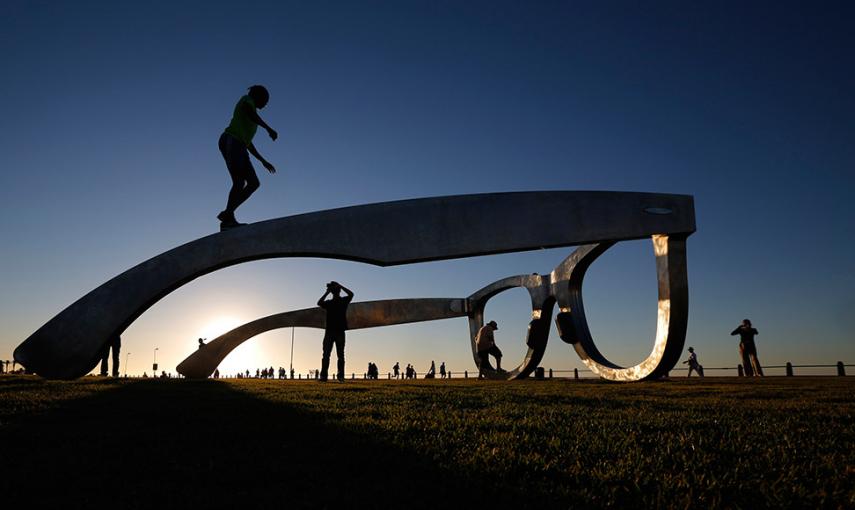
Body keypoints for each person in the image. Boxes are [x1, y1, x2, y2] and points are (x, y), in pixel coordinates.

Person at [217, 85, 278, 230]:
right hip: (231, 140)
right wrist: (268, 128)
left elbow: (248, 143)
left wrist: (263, 161)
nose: (266, 104)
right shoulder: (247, 101)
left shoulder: (251, 120)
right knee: (238, 182)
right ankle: (228, 220)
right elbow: (250, 113)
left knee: (253, 183)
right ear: (257, 96)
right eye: (265, 100)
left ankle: (228, 213)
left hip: (239, 144)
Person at [317, 281, 354, 382]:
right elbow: (351, 294)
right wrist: (340, 286)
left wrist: (327, 292)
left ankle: (324, 376)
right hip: (337, 331)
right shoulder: (342, 301)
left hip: (331, 331)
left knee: (327, 355)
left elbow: (319, 302)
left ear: (332, 292)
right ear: (339, 291)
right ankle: (339, 376)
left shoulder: (332, 303)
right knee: (339, 355)